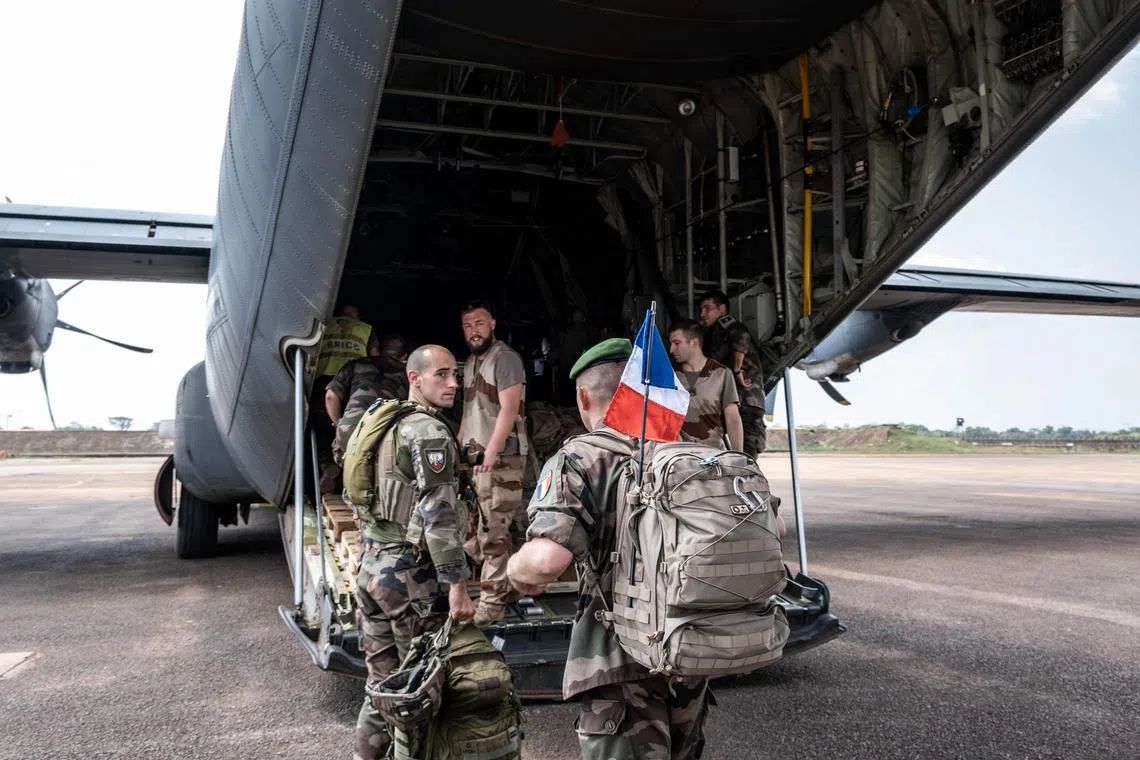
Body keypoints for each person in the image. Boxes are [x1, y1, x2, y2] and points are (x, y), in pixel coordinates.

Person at [506, 339, 713, 760]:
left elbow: (546, 561)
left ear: (584, 396)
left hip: (620, 662)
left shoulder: (579, 459)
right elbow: (774, 526)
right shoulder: (693, 454)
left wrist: (515, 570)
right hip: (689, 652)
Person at [352, 344, 476, 760]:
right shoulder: (428, 431)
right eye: (441, 374)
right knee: (417, 695)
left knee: (382, 687)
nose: (453, 383)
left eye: (455, 374)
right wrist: (457, 587)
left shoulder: (384, 423)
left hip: (372, 568)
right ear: (414, 378)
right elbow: (438, 514)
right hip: (408, 580)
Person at [457, 301, 529, 627]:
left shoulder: (505, 359)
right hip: (477, 459)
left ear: (493, 324)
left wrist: (491, 452)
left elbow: (509, 409)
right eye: (468, 325)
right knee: (475, 531)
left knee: (493, 533)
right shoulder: (472, 362)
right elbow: (470, 410)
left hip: (500, 459)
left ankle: (491, 603)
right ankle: (509, 585)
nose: (474, 330)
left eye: (480, 323)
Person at [325, 334, 409, 486]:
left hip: (351, 429)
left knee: (350, 462)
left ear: (377, 350)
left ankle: (341, 474)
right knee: (382, 470)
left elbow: (331, 396)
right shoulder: (409, 374)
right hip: (386, 433)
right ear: (404, 356)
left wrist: (338, 423)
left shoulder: (357, 364)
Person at [310, 305, 375, 497]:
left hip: (322, 386)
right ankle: (345, 473)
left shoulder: (325, 327)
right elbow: (375, 357)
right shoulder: (365, 329)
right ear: (356, 315)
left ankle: (325, 464)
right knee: (352, 433)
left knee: (323, 431)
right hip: (353, 386)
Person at [697, 290, 767, 456]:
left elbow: (741, 337)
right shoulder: (713, 333)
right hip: (732, 401)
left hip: (746, 399)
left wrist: (736, 371)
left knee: (747, 450)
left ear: (722, 309)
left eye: (707, 308)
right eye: (701, 309)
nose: (702, 314)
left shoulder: (728, 326)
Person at [668, 319, 743, 451]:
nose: (671, 349)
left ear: (694, 343)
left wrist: (739, 456)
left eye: (676, 343)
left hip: (713, 454)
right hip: (678, 456)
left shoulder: (722, 374)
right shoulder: (669, 376)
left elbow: (732, 417)